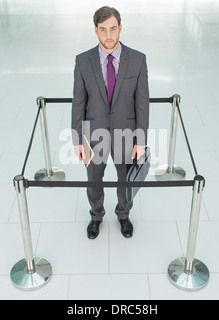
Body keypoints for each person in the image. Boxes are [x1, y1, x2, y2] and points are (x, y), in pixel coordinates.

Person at [71, 6, 149, 239]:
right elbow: (78, 102)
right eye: (103, 29)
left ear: (120, 28)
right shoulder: (83, 61)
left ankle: (123, 215)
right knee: (94, 178)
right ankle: (96, 215)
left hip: (127, 132)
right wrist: (77, 139)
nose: (108, 35)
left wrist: (141, 140)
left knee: (125, 178)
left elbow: (142, 104)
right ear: (95, 30)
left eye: (113, 28)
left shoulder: (138, 60)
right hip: (94, 134)